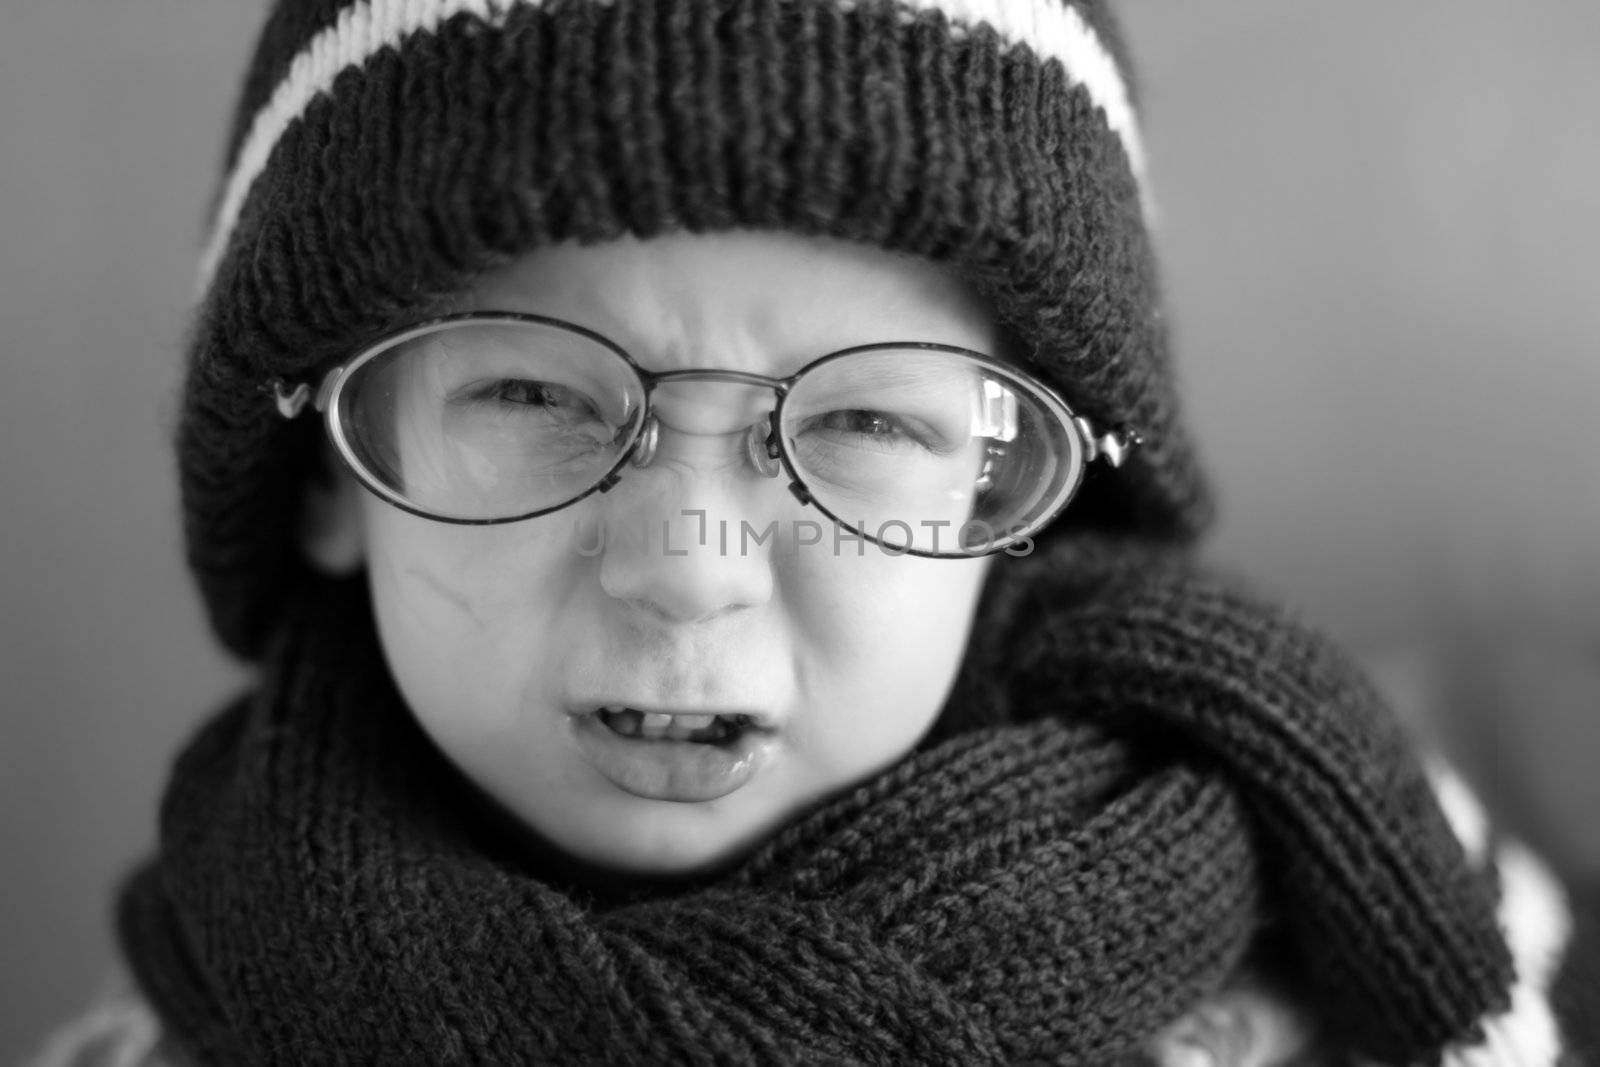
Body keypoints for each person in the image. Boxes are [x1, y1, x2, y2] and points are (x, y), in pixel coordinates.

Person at [29, 0, 1596, 1063]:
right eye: (531, 396)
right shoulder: (181, 1026)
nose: (688, 566)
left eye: (864, 425)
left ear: (1014, 506)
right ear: (322, 474)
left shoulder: (1320, 917)